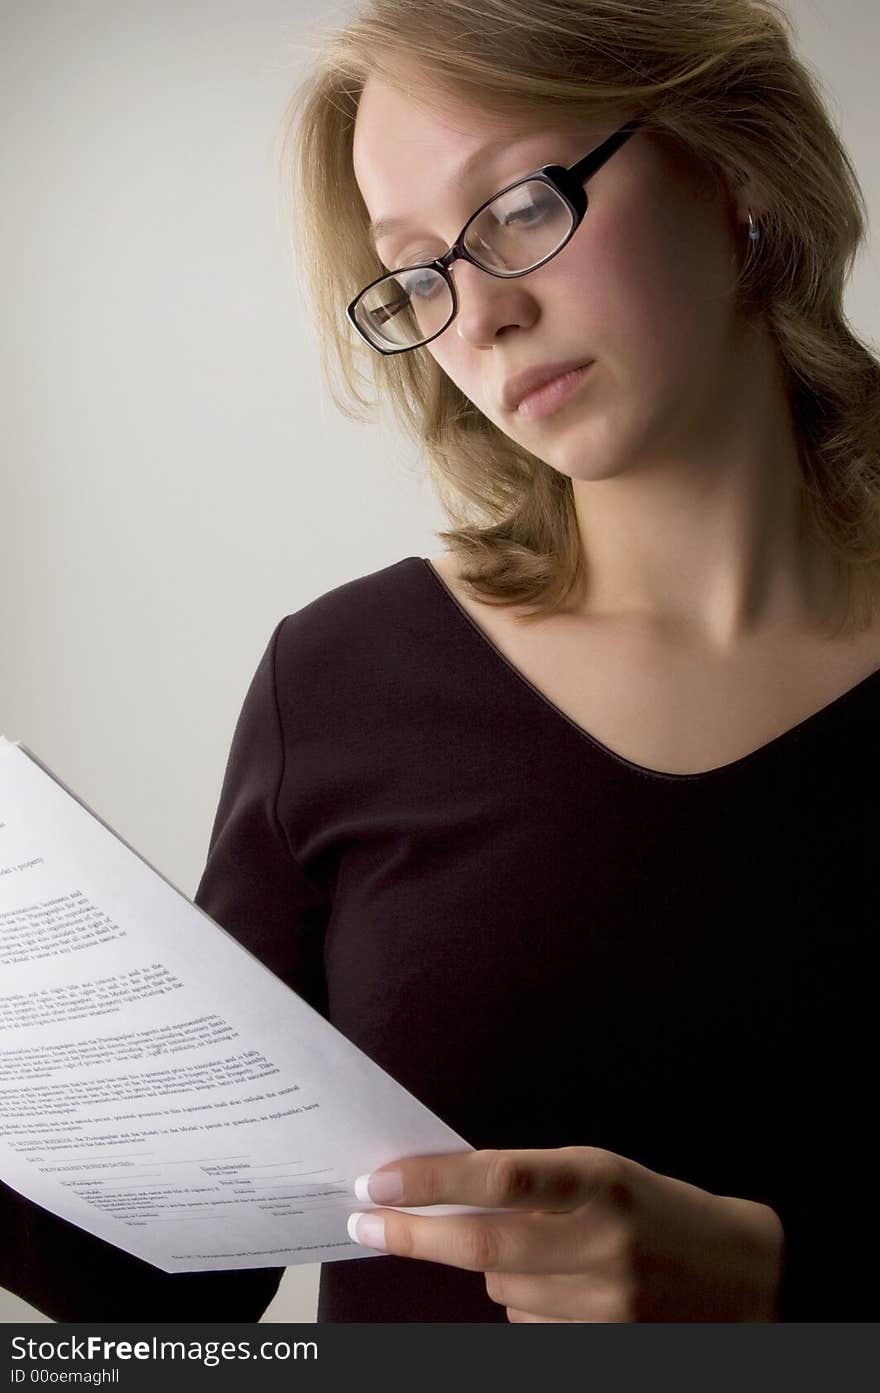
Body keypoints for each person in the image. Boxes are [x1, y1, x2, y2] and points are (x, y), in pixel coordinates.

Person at [3, 0, 878, 1322]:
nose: (483, 316)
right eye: (418, 274)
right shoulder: (343, 679)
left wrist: (775, 1285)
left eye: (522, 205)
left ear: (734, 168)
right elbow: (173, 1306)